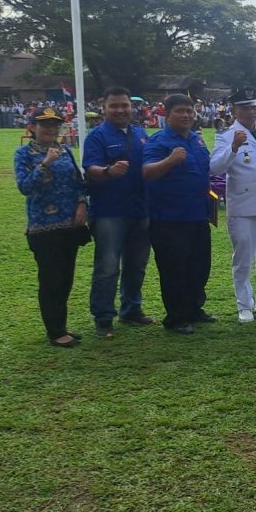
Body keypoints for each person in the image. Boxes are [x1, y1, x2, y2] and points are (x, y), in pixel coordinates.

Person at [14, 107, 89, 347]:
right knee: (51, 279)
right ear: (32, 127)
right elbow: (25, 187)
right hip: (43, 228)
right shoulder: (24, 154)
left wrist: (81, 203)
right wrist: (45, 163)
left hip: (69, 225)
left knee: (65, 278)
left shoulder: (65, 150)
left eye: (55, 125)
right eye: (44, 124)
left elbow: (79, 182)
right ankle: (55, 331)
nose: (50, 129)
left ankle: (61, 325)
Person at [82, 86, 153, 338]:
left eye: (125, 105)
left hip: (140, 209)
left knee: (137, 264)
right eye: (114, 106)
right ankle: (103, 317)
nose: (121, 110)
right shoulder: (97, 136)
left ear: (131, 107)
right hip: (109, 211)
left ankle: (131, 309)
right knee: (108, 266)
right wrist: (108, 171)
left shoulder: (142, 134)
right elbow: (90, 168)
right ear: (104, 108)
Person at [142, 94, 214, 335]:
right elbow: (147, 172)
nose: (186, 115)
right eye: (180, 111)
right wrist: (170, 161)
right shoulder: (158, 142)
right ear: (167, 113)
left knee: (199, 266)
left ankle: (194, 309)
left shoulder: (197, 140)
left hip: (197, 215)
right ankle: (176, 317)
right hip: (169, 218)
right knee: (174, 269)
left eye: (189, 111)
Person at [210, 87, 256, 322]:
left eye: (253, 107)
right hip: (243, 203)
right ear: (234, 110)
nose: (250, 112)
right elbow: (216, 168)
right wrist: (233, 148)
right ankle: (244, 304)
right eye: (244, 108)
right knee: (243, 256)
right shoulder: (226, 135)